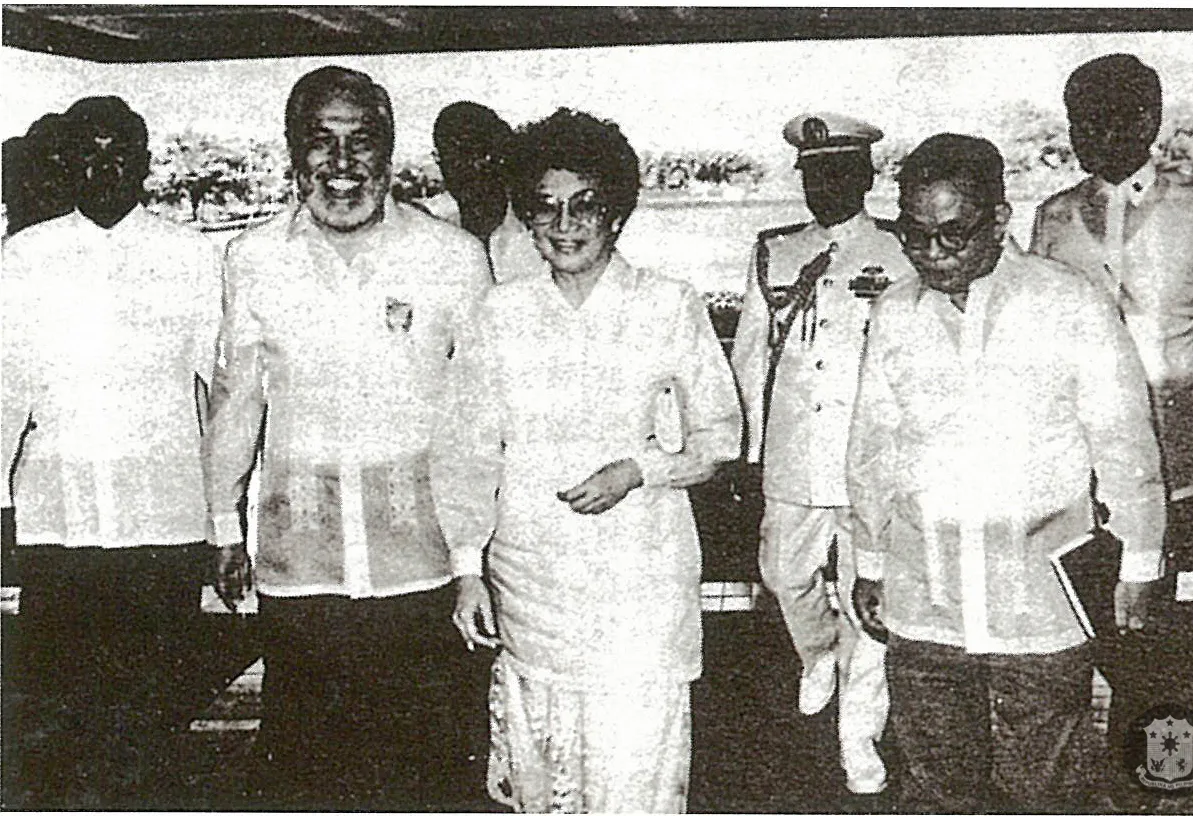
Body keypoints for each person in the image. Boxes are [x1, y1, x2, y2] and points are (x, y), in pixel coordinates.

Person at [431, 107, 742, 813]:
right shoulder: (498, 314)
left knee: (633, 773)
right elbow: (465, 452)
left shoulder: (668, 304)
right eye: (545, 209)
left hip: (639, 587)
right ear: (527, 217)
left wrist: (636, 471)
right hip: (531, 583)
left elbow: (721, 435)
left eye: (585, 207)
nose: (565, 226)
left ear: (617, 213)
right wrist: (465, 571)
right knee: (545, 780)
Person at [847, 133, 1166, 812]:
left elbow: (1121, 439)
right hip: (923, 595)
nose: (932, 255)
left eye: (952, 235)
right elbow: (872, 449)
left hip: (1038, 600)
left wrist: (1139, 561)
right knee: (935, 791)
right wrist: (868, 560)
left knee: (1046, 788)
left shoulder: (1066, 300)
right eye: (915, 235)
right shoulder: (893, 312)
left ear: (997, 219)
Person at [203, 66, 493, 810]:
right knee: (304, 768)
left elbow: (481, 414)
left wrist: (473, 557)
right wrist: (222, 527)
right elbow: (237, 401)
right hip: (301, 569)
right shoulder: (253, 257)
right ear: (293, 154)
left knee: (428, 768)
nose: (340, 165)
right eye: (320, 143)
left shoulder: (454, 257)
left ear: (389, 153)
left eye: (360, 143)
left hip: (426, 569)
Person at [1, 96, 221, 808]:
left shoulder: (190, 255)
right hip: (58, 521)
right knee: (60, 708)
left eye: (121, 152)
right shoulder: (26, 256)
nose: (105, 167)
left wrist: (225, 518)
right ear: (66, 163)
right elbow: (5, 387)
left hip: (164, 519)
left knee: (154, 710)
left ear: (147, 164)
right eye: (89, 153)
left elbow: (217, 391)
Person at [1031, 52, 1193, 806]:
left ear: (1147, 122)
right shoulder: (1052, 216)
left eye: (1109, 120)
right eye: (1079, 122)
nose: (1091, 135)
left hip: (1175, 466)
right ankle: (1117, 785)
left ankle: (1178, 786)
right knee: (1100, 634)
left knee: (1180, 637)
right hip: (1079, 472)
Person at [729, 111, 914, 796]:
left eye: (837, 170)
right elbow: (752, 358)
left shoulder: (900, 250)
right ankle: (817, 651)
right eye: (812, 172)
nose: (822, 184)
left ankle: (857, 737)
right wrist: (747, 455)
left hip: (869, 459)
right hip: (793, 456)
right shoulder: (773, 250)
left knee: (870, 597)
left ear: (865, 176)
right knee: (782, 573)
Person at [419, 100, 545, 283]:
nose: (471, 166)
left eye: (480, 153)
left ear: (501, 157)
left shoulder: (540, 238)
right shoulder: (434, 238)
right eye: (453, 155)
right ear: (439, 160)